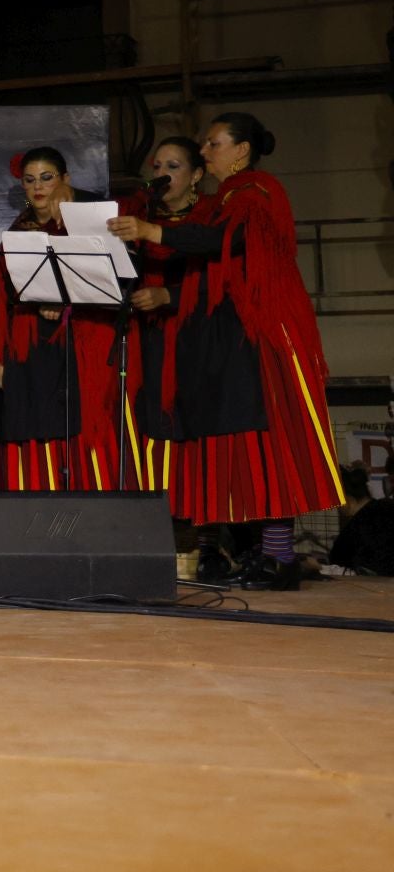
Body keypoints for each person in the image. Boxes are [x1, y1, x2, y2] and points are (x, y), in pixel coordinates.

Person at [108, 112, 344, 589]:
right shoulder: (227, 199)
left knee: (269, 445)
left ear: (241, 151)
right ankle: (268, 555)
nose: (207, 151)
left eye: (213, 144)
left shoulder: (255, 192)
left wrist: (152, 233)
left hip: (263, 334)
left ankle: (278, 558)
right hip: (233, 337)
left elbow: (223, 241)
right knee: (246, 446)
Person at [0, 147, 119, 493]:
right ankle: (39, 513)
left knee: (82, 427)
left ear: (65, 180)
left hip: (80, 343)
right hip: (29, 345)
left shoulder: (87, 222)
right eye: (30, 180)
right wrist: (1, 357)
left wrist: (65, 304)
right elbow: (2, 298)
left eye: (47, 178)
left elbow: (109, 281)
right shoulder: (17, 229)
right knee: (33, 426)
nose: (38, 187)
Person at [116, 136, 210, 522]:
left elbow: (222, 281)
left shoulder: (210, 216)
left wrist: (170, 296)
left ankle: (205, 538)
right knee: (153, 424)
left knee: (198, 427)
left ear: (196, 176)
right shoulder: (142, 218)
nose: (162, 174)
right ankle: (161, 525)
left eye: (173, 167)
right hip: (149, 339)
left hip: (200, 339)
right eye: (156, 167)